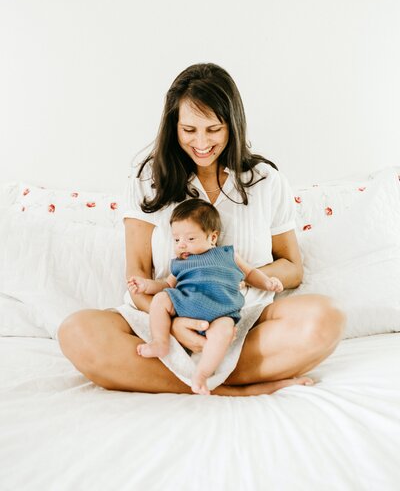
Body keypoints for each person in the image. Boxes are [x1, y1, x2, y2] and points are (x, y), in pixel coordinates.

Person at [58, 62, 346, 396]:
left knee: (327, 318)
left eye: (214, 129)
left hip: (243, 320)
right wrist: (171, 323)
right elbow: (137, 275)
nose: (202, 142)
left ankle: (200, 377)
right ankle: (236, 387)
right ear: (173, 126)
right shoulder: (148, 177)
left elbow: (292, 267)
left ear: (232, 126)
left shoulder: (266, 180)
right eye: (189, 130)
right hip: (168, 317)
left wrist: (236, 277)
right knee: (76, 332)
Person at [128, 198, 284, 395]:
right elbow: (166, 285)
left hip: (221, 310)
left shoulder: (227, 254)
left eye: (190, 239)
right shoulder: (179, 264)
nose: (182, 245)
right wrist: (145, 285)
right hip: (186, 303)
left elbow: (251, 274)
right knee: (161, 299)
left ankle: (202, 375)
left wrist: (268, 283)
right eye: (177, 240)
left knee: (225, 331)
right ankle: (160, 342)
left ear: (212, 238)